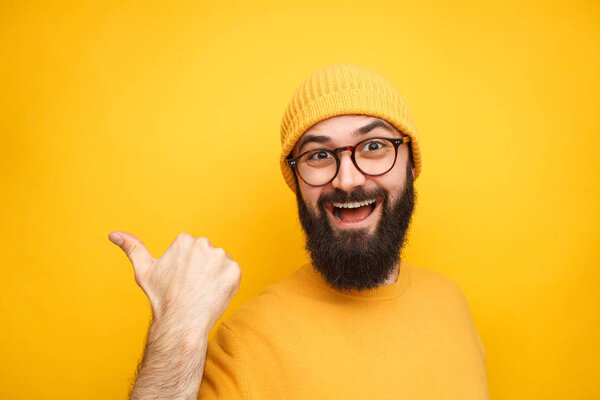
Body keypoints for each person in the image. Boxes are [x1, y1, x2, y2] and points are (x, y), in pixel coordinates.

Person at [109, 63, 489, 399]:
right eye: (319, 155)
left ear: (410, 164)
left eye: (374, 146)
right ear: (296, 180)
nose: (348, 179)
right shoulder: (246, 344)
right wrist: (178, 327)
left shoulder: (451, 301)